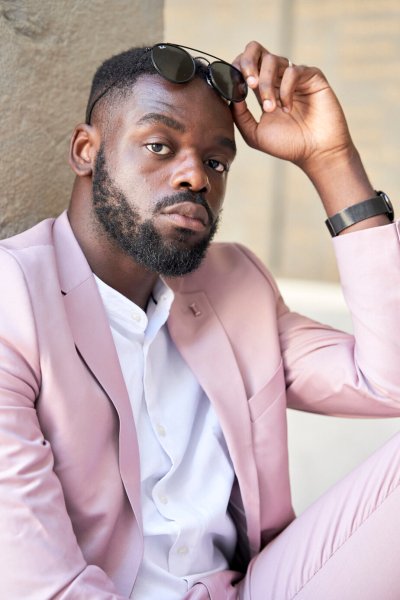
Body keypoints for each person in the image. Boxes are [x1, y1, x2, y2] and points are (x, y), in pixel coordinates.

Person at [0, 39, 399, 600]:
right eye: (160, 146)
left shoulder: (234, 284)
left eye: (216, 161)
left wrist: (330, 160)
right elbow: (46, 588)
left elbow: (390, 381)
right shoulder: (12, 299)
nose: (196, 177)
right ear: (86, 151)